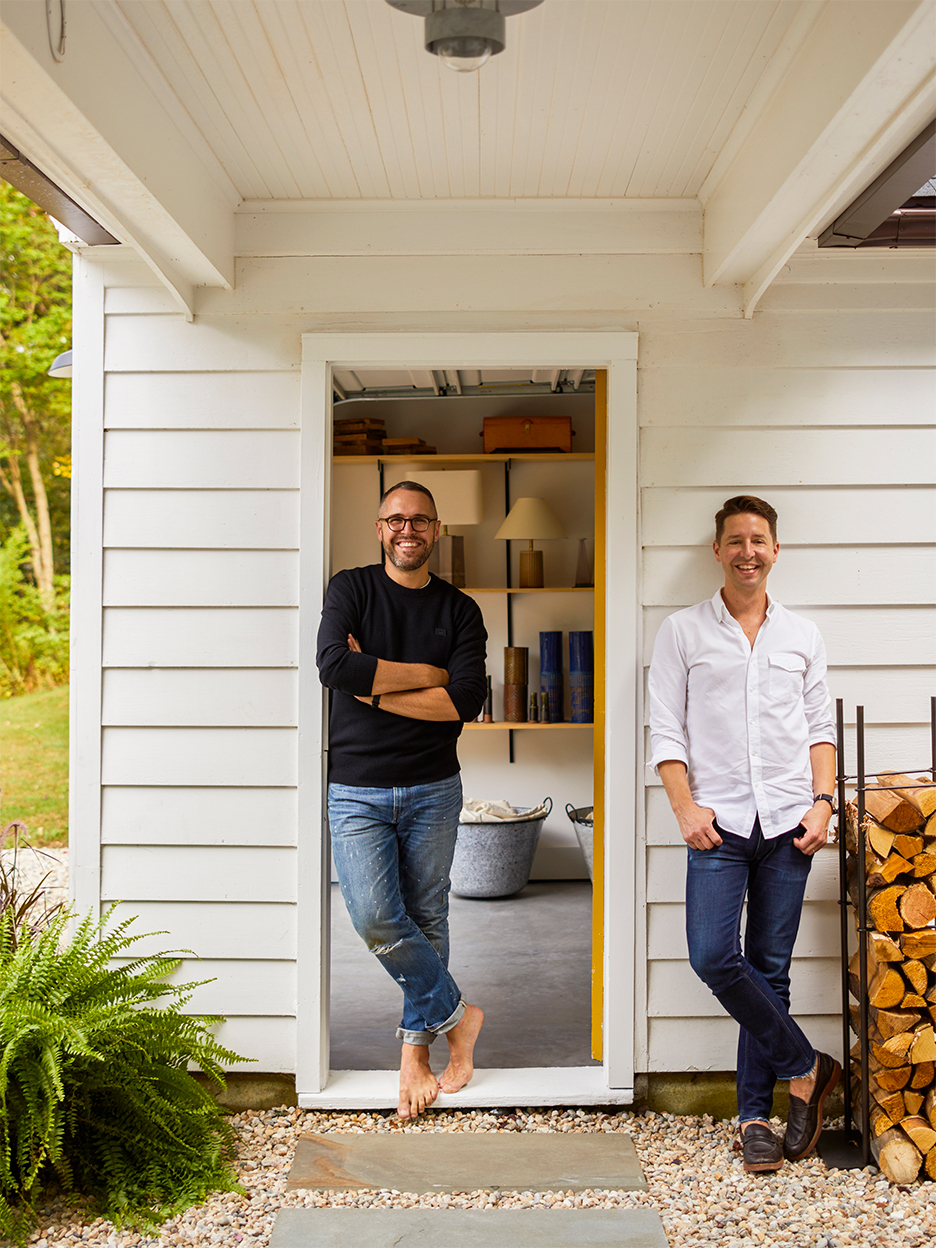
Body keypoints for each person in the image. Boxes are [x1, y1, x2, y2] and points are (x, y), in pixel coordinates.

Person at [648, 494, 841, 1173]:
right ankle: (806, 1067)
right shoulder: (682, 632)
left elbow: (821, 730)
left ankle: (755, 1115)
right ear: (718, 550)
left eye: (759, 540)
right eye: (736, 540)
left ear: (775, 550)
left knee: (770, 971)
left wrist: (823, 805)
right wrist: (685, 808)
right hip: (718, 826)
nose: (748, 551)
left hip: (792, 824)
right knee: (711, 956)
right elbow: (665, 731)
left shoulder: (802, 636)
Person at [316, 480, 487, 1119]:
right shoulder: (351, 589)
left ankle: (416, 1053)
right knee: (376, 918)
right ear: (380, 527)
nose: (406, 530)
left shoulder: (460, 609)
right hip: (356, 789)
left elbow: (463, 702)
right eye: (395, 519)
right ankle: (457, 1016)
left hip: (433, 786)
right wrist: (427, 675)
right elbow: (334, 665)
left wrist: (377, 684)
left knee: (428, 914)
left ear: (436, 530)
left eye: (419, 520)